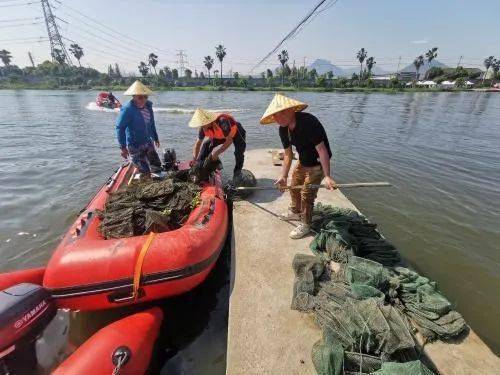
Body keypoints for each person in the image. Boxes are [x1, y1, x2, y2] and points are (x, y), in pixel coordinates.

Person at [260, 93, 336, 239]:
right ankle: (295, 211)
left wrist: (327, 176)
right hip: (303, 161)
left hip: (317, 163)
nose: (278, 117)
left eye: (281, 112)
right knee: (294, 186)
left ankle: (306, 224)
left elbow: (322, 150)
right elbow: (288, 153)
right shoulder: (283, 129)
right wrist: (283, 176)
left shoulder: (309, 122)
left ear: (292, 110)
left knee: (307, 194)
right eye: (275, 115)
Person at [116, 80, 162, 179]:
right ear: (133, 97)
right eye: (140, 97)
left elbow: (152, 124)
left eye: (145, 96)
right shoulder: (127, 109)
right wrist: (123, 147)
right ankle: (146, 182)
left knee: (156, 164)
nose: (143, 99)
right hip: (134, 144)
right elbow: (120, 128)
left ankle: (158, 179)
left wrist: (156, 138)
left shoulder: (148, 106)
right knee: (144, 170)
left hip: (147, 141)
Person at [189, 108, 246, 179]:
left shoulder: (222, 122)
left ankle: (237, 172)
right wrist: (195, 158)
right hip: (220, 135)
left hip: (236, 133)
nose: (202, 127)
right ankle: (201, 167)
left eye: (203, 124)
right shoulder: (203, 128)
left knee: (238, 153)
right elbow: (198, 143)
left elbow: (229, 140)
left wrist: (217, 153)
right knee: (206, 145)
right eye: (201, 125)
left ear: (208, 121)